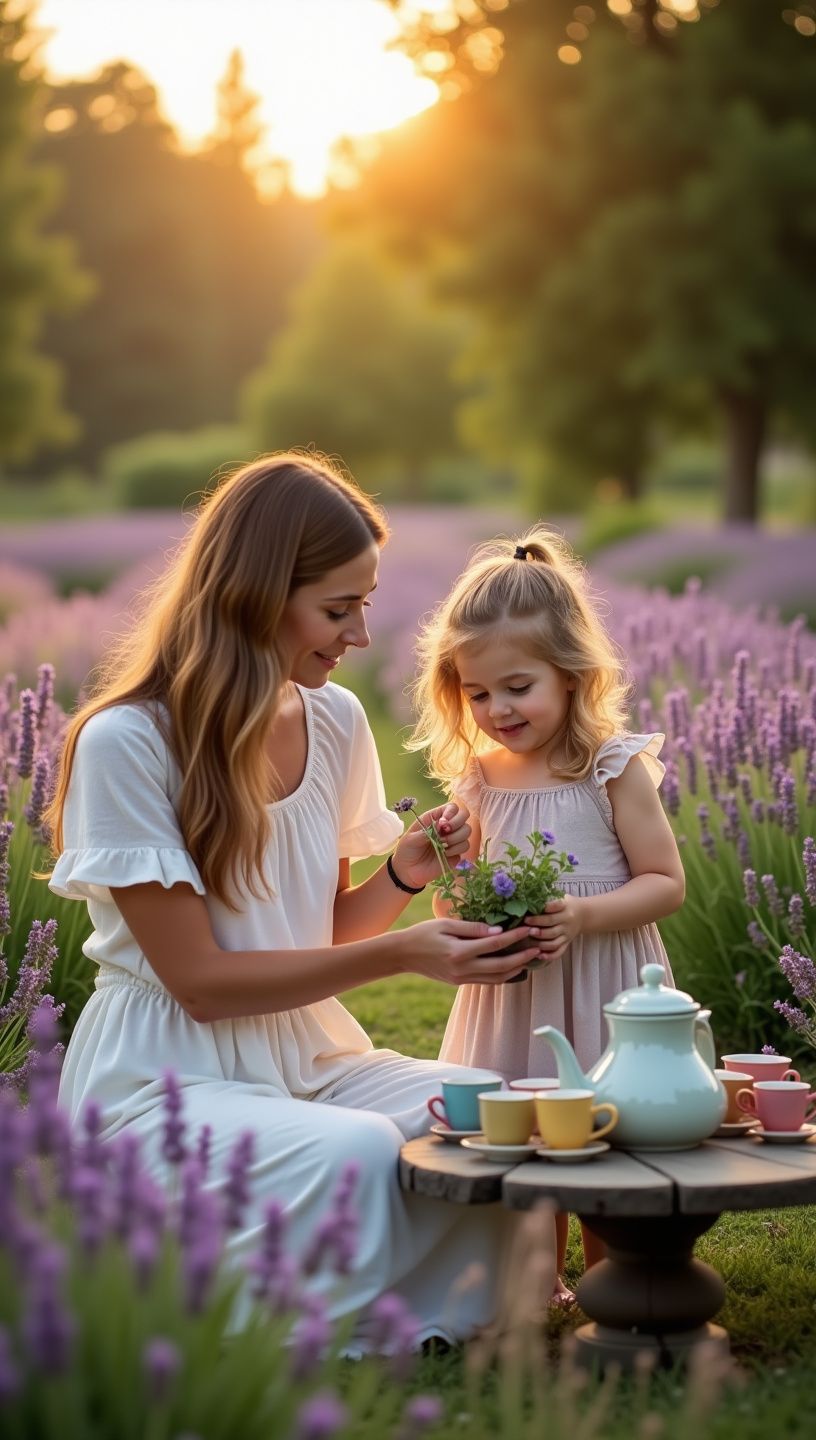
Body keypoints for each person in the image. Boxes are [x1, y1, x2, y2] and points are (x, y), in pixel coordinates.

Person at [46, 454, 546, 1344]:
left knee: (484, 1099)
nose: (359, 634)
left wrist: (404, 873)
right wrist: (399, 954)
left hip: (308, 1057)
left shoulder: (335, 720)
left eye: (365, 602)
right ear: (254, 595)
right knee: (352, 1150)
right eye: (336, 607)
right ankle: (356, 1329)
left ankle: (466, 1308)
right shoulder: (126, 741)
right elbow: (199, 981)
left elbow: (316, 933)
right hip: (163, 1074)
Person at [410, 525, 685, 1292]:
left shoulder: (610, 767)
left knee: (605, 1136)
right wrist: (453, 868)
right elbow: (460, 896)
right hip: (515, 993)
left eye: (517, 687)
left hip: (602, 981)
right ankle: (533, 1286)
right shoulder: (479, 776)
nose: (497, 708)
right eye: (477, 693)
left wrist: (584, 916)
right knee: (519, 1137)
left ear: (570, 674)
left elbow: (665, 881)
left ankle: (616, 1276)